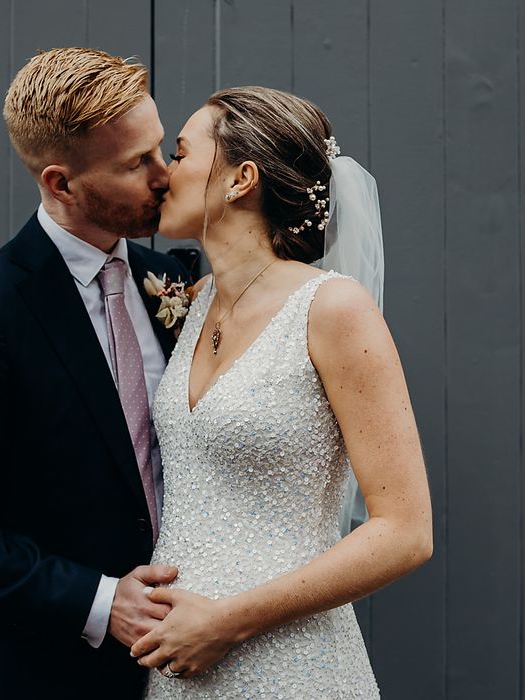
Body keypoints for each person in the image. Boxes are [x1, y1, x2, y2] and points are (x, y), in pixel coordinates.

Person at [0, 47, 190, 699]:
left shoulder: (176, 282)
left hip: (191, 666)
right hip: (42, 676)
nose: (164, 175)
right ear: (60, 183)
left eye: (161, 148)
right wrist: (101, 600)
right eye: (134, 163)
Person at [129, 87, 433, 697]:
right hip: (180, 667)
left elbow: (405, 529)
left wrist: (228, 621)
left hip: (290, 663)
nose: (162, 174)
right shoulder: (194, 306)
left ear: (241, 179)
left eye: (182, 154)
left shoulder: (332, 307)